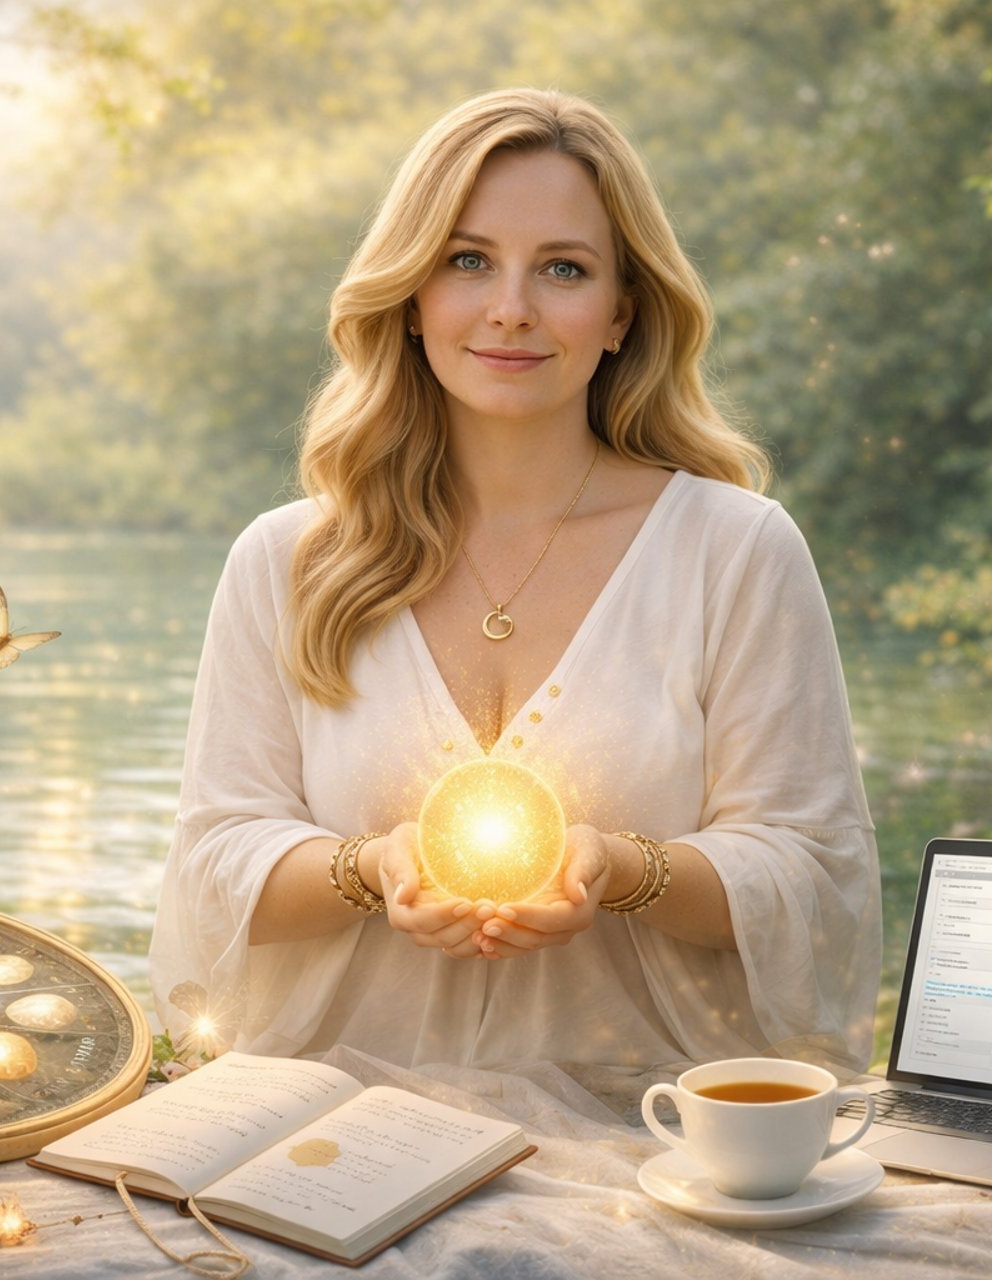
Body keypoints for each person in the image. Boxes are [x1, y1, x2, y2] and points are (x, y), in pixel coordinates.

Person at [148, 87, 879, 1075]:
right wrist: (372, 868)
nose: (511, 307)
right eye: (468, 259)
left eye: (563, 269)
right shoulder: (284, 562)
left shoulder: (736, 549)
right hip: (330, 1132)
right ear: (412, 296)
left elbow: (814, 877)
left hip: (649, 1130)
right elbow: (210, 873)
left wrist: (623, 870)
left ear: (621, 311)